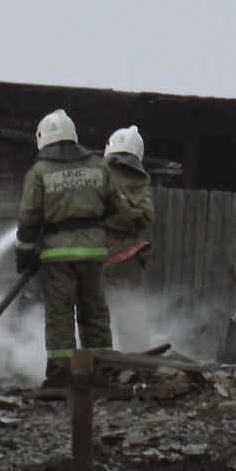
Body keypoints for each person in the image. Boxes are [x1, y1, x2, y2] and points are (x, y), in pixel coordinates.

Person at [16, 110, 119, 385]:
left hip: (57, 254)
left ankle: (63, 374)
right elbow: (115, 204)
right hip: (94, 251)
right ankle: (102, 370)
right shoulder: (98, 165)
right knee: (94, 311)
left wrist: (24, 255)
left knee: (60, 314)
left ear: (43, 139)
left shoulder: (38, 172)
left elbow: (28, 218)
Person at [101, 126, 154, 351]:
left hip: (104, 256)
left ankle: (99, 361)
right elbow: (146, 216)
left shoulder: (100, 173)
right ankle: (139, 362)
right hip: (134, 257)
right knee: (133, 313)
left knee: (98, 314)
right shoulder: (140, 180)